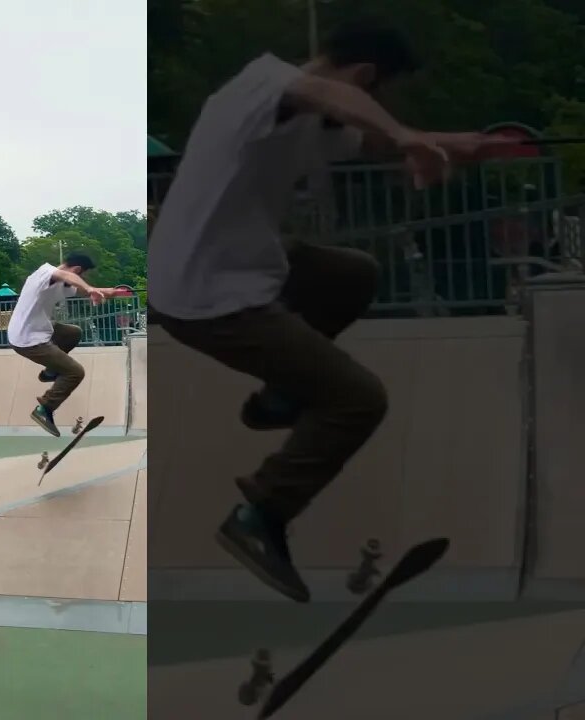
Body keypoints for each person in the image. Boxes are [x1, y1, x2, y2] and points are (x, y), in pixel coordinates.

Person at [147, 19, 517, 602]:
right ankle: (261, 514)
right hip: (205, 294)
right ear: (366, 78)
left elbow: (366, 140)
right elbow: (336, 98)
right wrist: (405, 134)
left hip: (245, 266)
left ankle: (279, 396)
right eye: (377, 95)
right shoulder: (263, 84)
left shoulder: (309, 119)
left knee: (351, 273)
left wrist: (446, 142)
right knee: (358, 399)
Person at [7, 252, 117, 437]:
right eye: (82, 276)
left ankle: (50, 371)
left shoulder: (60, 283)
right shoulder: (45, 274)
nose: (80, 280)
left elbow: (79, 288)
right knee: (75, 372)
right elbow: (69, 277)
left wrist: (106, 291)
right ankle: (45, 409)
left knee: (73, 333)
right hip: (27, 339)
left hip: (40, 330)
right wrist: (90, 288)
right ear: (77, 270)